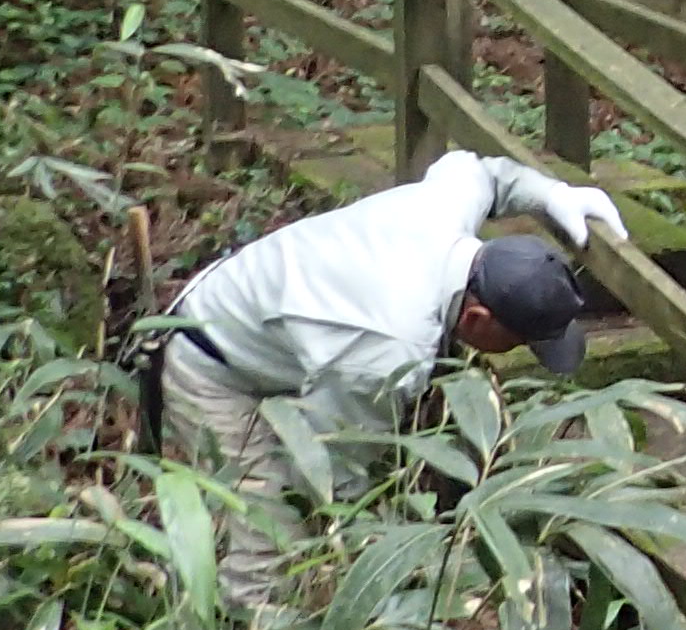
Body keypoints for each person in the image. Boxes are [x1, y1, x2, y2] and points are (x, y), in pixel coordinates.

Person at [146, 148, 628, 506]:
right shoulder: (390, 350)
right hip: (211, 357)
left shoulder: (443, 214)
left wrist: (552, 195)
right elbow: (332, 468)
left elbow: (482, 174)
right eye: (519, 341)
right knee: (263, 517)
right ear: (477, 319)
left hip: (267, 309)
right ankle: (252, 624)